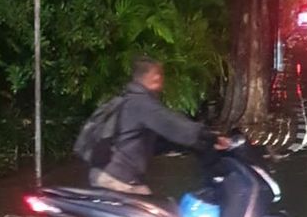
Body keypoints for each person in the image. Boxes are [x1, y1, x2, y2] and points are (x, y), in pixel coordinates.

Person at [89, 57, 229, 195]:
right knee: (156, 214)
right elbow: (176, 126)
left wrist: (199, 145)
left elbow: (157, 141)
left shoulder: (129, 100)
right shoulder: (142, 104)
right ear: (155, 78)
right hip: (117, 179)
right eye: (160, 75)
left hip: (108, 174)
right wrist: (212, 138)